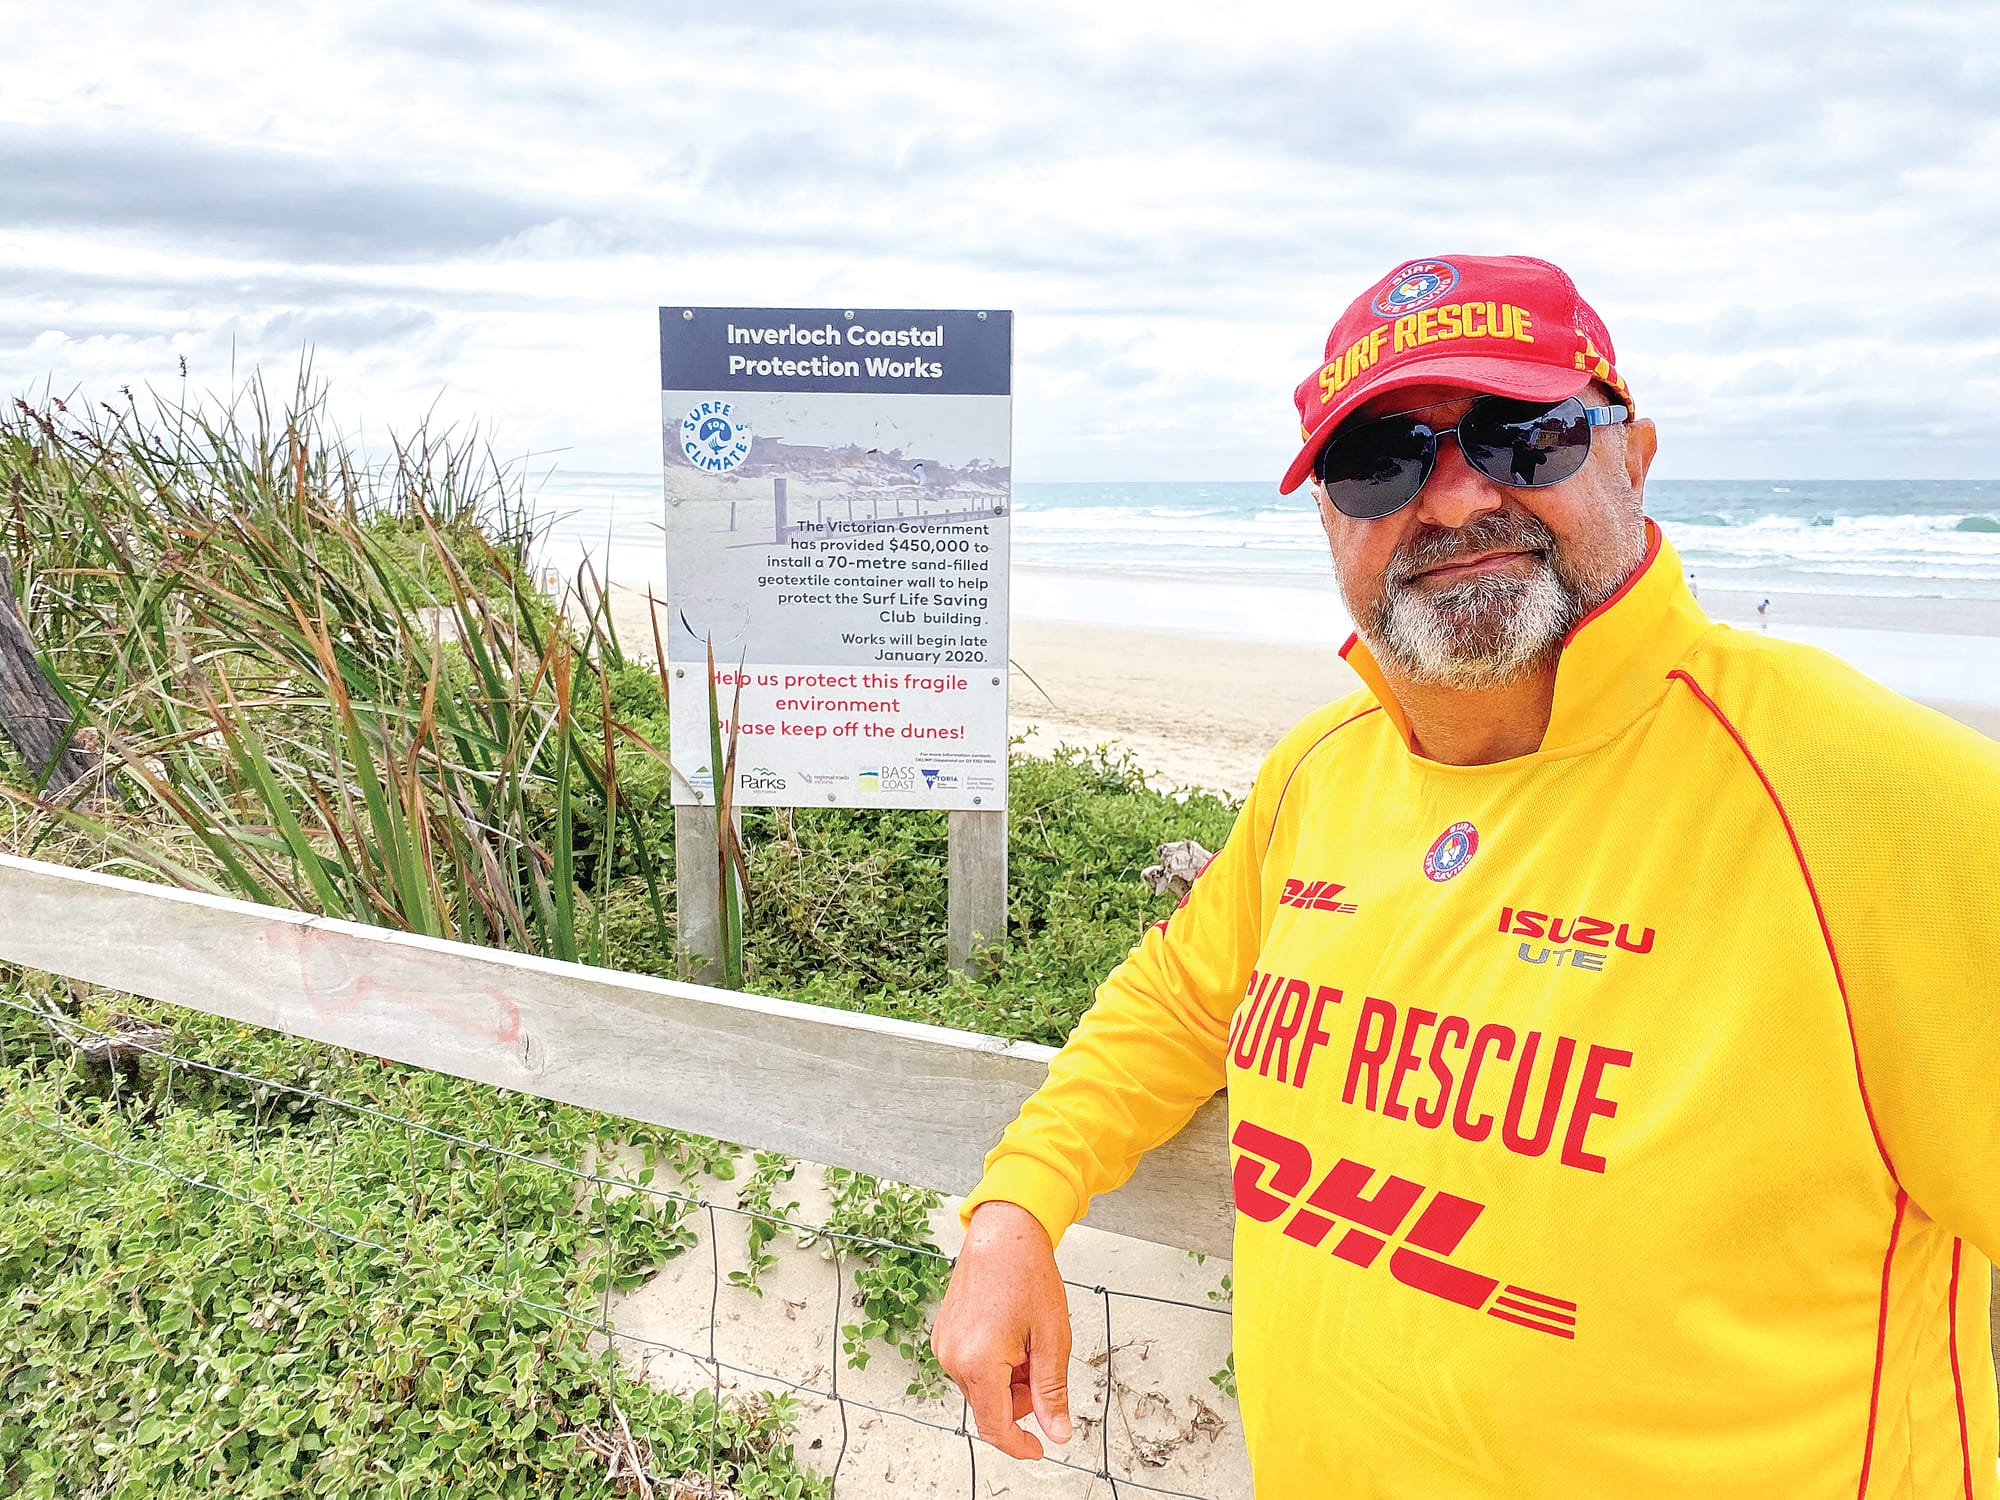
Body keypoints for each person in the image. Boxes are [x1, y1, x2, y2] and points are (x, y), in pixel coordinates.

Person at [933, 254, 2000, 1498]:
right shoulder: (1321, 772)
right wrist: (1017, 1205)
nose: (1447, 503)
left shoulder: (1884, 806)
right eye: (1376, 461)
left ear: (1630, 456)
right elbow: (1176, 1004)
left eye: (1520, 435)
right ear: (1329, 516)